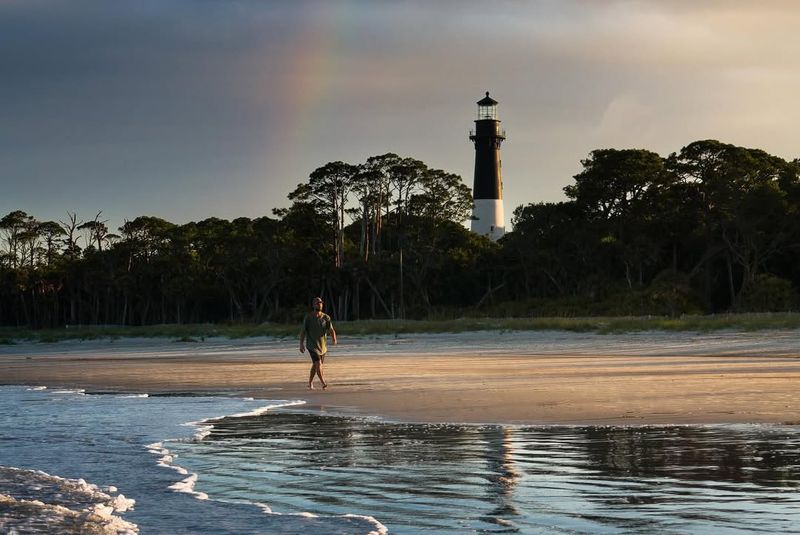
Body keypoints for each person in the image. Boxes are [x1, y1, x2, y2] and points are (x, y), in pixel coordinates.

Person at [299, 296, 337, 390]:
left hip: (322, 346)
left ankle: (310, 382)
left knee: (316, 365)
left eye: (320, 303)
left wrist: (334, 339)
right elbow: (303, 331)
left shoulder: (326, 317)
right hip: (312, 345)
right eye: (317, 303)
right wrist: (301, 344)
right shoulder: (308, 317)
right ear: (313, 305)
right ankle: (323, 382)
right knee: (318, 364)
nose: (319, 304)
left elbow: (331, 330)